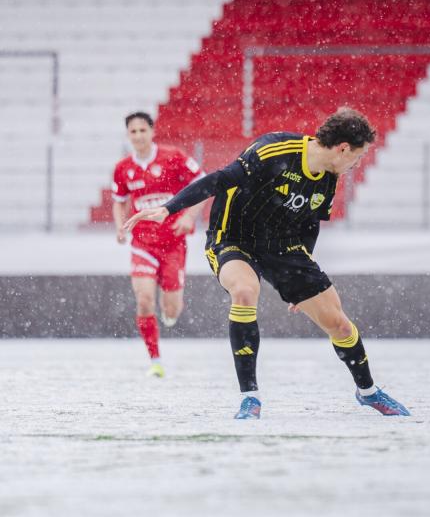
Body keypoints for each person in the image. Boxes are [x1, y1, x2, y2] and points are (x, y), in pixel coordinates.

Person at [123, 108, 409, 419]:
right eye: (358, 156)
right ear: (342, 148)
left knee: (338, 323)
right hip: (233, 237)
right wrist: (168, 209)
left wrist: (301, 285)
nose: (357, 164)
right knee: (245, 292)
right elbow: (220, 179)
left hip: (283, 246)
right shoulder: (275, 150)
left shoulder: (329, 178)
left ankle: (367, 392)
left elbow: (310, 224)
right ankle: (250, 398)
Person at [111, 112, 205, 377]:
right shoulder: (123, 168)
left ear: (152, 132)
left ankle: (170, 311)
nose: (138, 136)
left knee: (171, 309)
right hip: (143, 243)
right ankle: (155, 359)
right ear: (128, 135)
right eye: (133, 132)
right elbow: (119, 201)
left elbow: (203, 184)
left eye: (143, 130)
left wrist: (188, 216)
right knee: (143, 300)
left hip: (174, 242)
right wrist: (120, 226)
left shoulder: (173, 156)